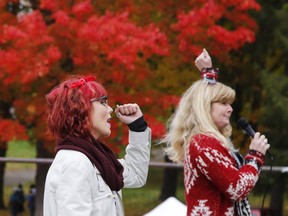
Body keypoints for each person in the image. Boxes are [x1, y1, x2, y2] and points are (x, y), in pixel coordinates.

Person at [162, 49, 270, 215]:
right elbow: (237, 188)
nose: (230, 109)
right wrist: (255, 156)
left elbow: (208, 93)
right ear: (205, 106)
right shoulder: (203, 143)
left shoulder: (205, 141)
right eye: (224, 103)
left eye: (230, 103)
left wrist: (208, 72)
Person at [43, 76, 151, 216]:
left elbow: (136, 175)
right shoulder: (76, 163)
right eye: (103, 102)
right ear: (80, 109)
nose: (110, 109)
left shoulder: (96, 157)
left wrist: (137, 127)